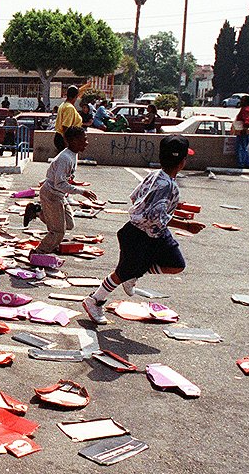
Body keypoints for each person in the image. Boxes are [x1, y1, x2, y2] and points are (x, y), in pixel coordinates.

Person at [81, 135, 205, 325]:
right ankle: (94, 300)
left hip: (155, 233)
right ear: (182, 162)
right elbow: (155, 215)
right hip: (138, 235)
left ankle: (136, 273)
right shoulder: (168, 185)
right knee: (121, 273)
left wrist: (172, 208)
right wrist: (186, 226)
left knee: (176, 264)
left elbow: (136, 198)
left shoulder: (156, 175)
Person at [23, 126, 98, 254]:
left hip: (60, 195)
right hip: (51, 195)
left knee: (69, 224)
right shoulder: (65, 158)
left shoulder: (73, 155)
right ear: (73, 141)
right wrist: (82, 191)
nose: (86, 142)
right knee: (58, 232)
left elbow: (62, 178)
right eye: (83, 140)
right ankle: (39, 252)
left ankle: (37, 210)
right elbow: (59, 184)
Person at [54, 85, 84, 151]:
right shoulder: (69, 107)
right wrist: (67, 143)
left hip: (61, 137)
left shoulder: (63, 105)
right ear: (76, 96)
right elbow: (65, 127)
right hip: (64, 138)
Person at [234, 94, 249, 168]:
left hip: (243, 131)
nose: (240, 102)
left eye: (242, 100)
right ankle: (248, 163)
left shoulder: (245, 109)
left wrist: (244, 129)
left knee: (241, 148)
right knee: (244, 147)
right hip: (246, 132)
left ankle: (242, 163)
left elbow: (247, 120)